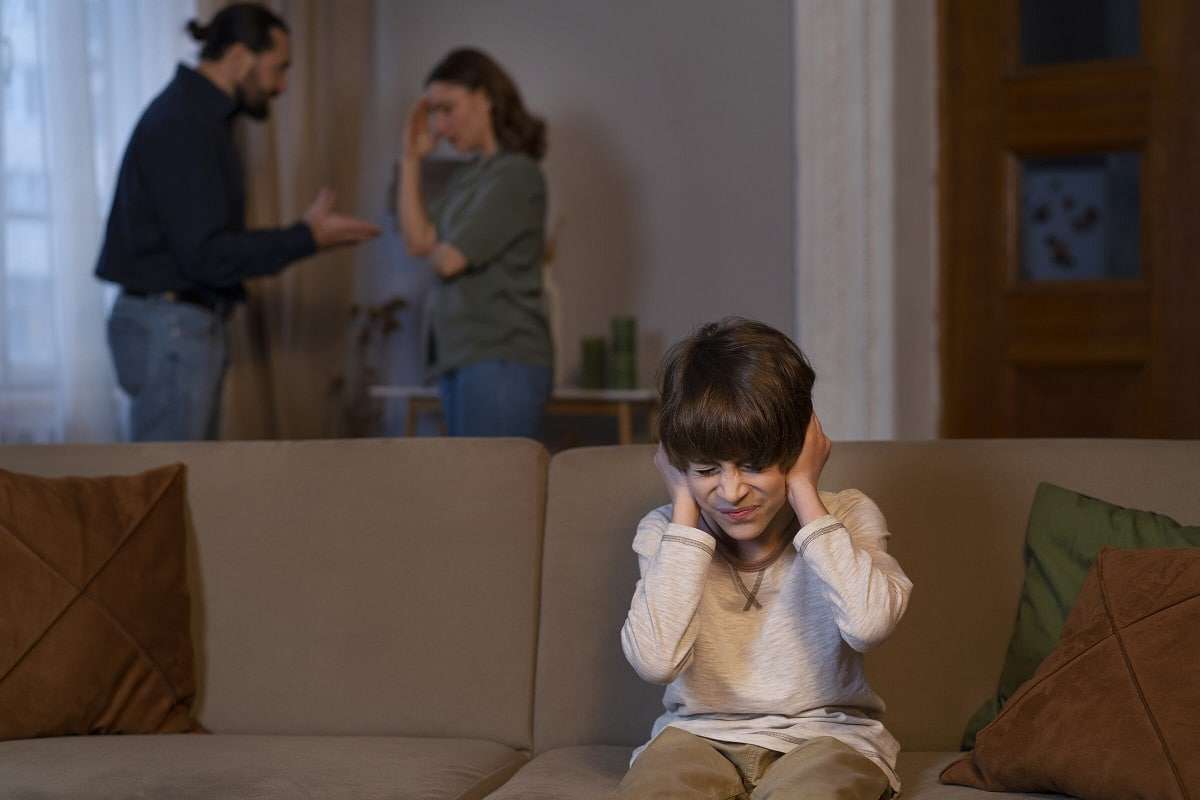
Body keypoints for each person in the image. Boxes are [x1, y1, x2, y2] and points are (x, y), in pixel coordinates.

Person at [618, 318, 913, 800]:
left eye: (754, 465)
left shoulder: (845, 516)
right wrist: (685, 512)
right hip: (697, 737)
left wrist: (805, 494)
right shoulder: (666, 533)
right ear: (677, 465)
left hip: (829, 739)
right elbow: (655, 663)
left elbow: (870, 625)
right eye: (707, 469)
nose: (732, 492)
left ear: (798, 451)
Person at [96, 2, 379, 441]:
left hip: (174, 324)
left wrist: (306, 237)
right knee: (168, 485)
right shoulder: (186, 123)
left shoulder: (197, 118)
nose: (282, 86)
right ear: (241, 56)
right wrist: (307, 238)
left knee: (179, 482)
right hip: (172, 327)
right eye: (278, 68)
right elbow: (205, 255)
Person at [397, 48, 553, 438]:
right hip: (462, 356)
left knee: (494, 493)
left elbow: (450, 260)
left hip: (501, 357)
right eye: (433, 113)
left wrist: (441, 250)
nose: (440, 125)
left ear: (485, 97)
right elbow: (418, 241)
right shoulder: (468, 178)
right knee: (473, 491)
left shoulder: (517, 174)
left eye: (447, 109)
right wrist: (410, 160)